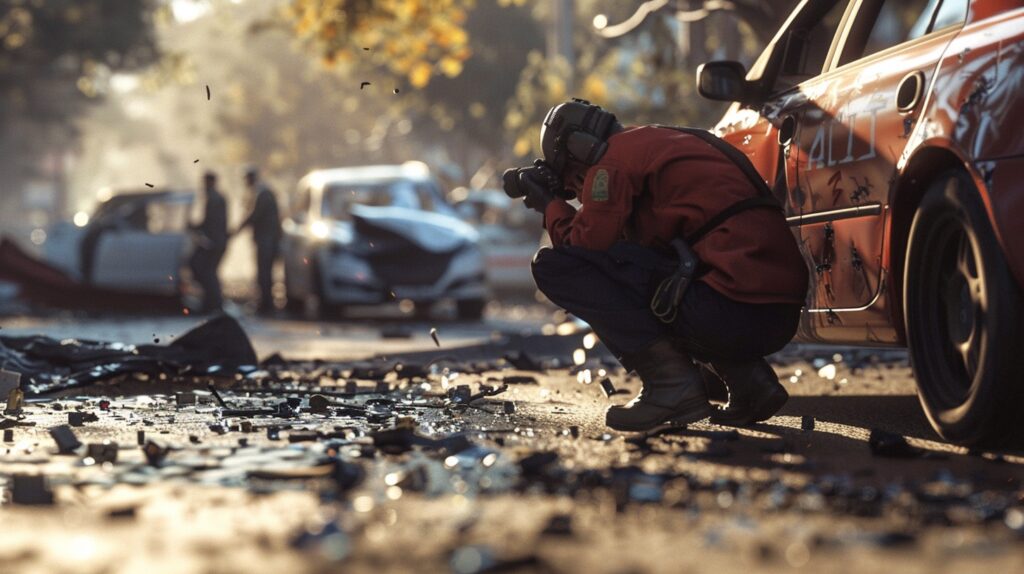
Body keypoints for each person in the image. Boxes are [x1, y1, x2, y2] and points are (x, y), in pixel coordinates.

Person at [505, 99, 809, 432]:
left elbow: (583, 251)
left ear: (580, 147)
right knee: (655, 271)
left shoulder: (612, 163)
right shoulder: (655, 143)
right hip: (776, 314)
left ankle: (671, 385)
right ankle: (750, 384)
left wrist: (551, 206)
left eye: (574, 179)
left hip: (733, 308)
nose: (580, 189)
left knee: (554, 266)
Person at [235, 165, 282, 314]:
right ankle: (265, 303)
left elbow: (254, 215)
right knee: (264, 271)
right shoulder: (260, 191)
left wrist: (235, 231)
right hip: (266, 238)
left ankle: (266, 304)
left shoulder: (262, 193)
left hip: (267, 239)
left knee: (264, 272)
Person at [189, 171, 228, 313]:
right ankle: (211, 302)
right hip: (215, 241)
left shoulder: (214, 199)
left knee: (208, 272)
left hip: (214, 242)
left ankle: (214, 303)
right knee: (208, 272)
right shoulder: (215, 197)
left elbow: (211, 223)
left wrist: (194, 227)